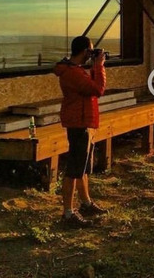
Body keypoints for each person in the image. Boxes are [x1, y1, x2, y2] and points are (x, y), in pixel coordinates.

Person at [54, 36, 107, 228]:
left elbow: (91, 87)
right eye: (90, 51)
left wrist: (94, 67)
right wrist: (99, 66)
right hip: (78, 124)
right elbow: (98, 89)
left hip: (83, 122)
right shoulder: (73, 74)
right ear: (85, 51)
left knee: (83, 167)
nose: (92, 55)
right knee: (74, 169)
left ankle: (85, 203)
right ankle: (68, 213)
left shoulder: (75, 71)